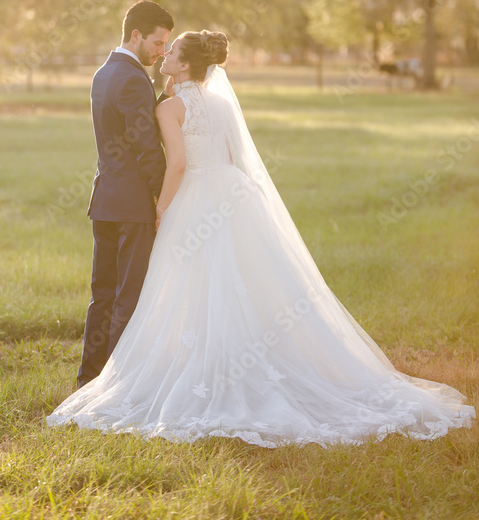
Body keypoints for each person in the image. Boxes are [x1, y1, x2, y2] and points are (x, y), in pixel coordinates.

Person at [49, 30, 475, 446]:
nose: (163, 56)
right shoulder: (219, 103)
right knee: (248, 287)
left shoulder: (169, 108)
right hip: (233, 197)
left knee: (189, 287)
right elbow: (234, 157)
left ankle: (197, 370)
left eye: (171, 51)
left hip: (195, 196)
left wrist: (162, 209)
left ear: (185, 64)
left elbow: (176, 163)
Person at [75, 0, 174, 389]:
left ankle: (88, 379)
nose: (162, 51)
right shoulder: (134, 79)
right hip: (133, 205)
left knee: (103, 295)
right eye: (158, 42)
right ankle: (116, 388)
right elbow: (147, 147)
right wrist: (160, 196)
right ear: (136, 35)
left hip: (105, 202)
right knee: (127, 298)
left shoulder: (104, 73)